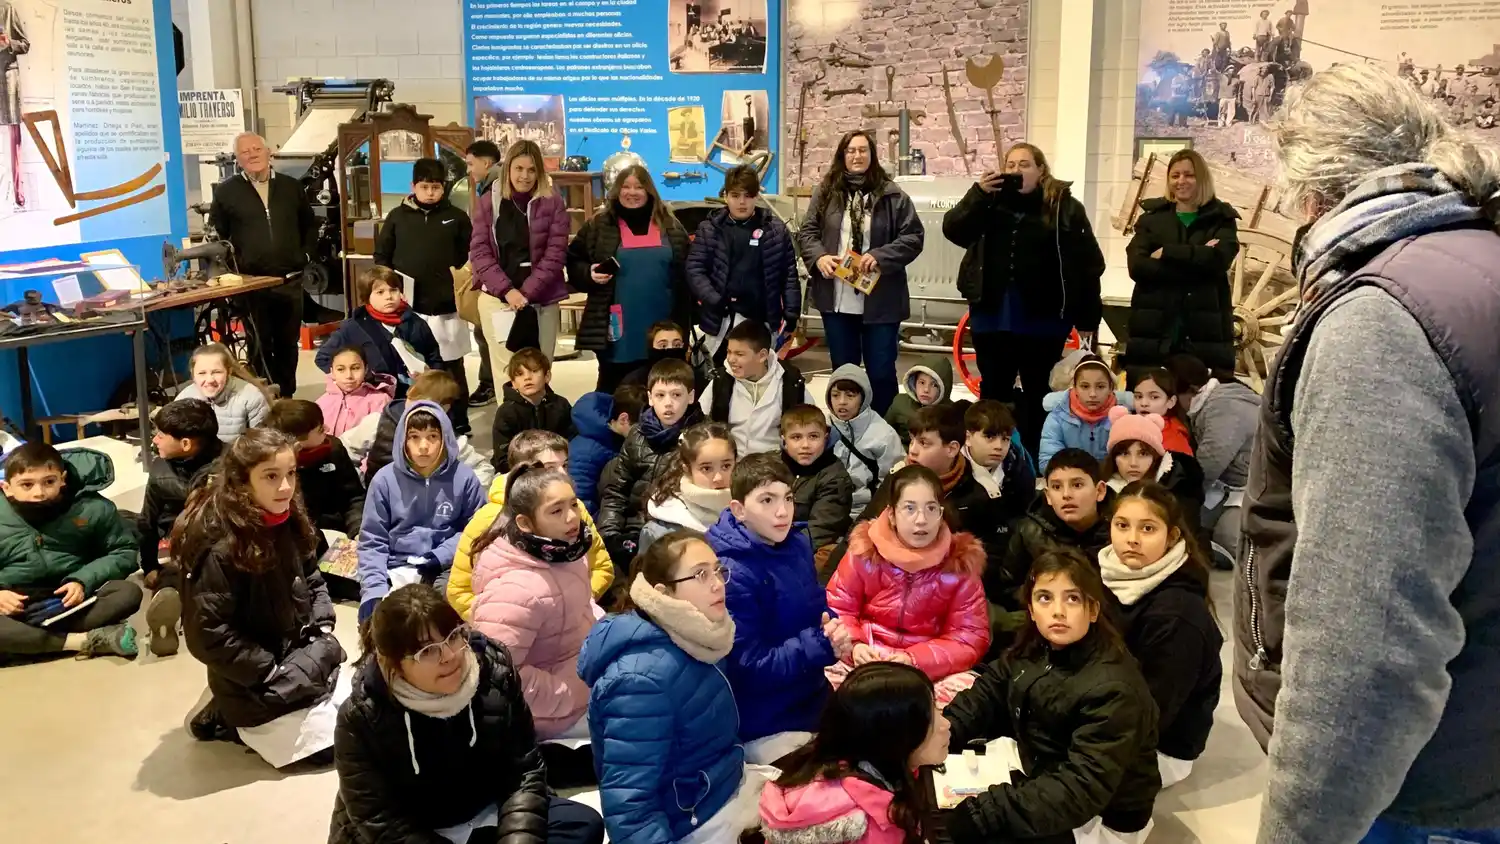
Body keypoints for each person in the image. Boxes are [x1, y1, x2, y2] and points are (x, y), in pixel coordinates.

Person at [1242, 63, 1500, 843]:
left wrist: (1300, 829)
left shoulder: (1382, 323)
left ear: (1315, 199)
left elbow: (1366, 647)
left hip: (1423, 784)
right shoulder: (1478, 272)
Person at [329, 584, 606, 844]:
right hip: (416, 828)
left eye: (453, 637)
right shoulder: (361, 716)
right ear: (393, 664)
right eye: (427, 652)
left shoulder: (493, 672)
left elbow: (524, 771)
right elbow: (379, 820)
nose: (449, 656)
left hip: (484, 808)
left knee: (583, 825)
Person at [942, 550, 1161, 844]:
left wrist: (989, 812)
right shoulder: (1036, 646)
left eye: (1072, 598)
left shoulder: (1114, 687)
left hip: (1103, 816)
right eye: (1045, 598)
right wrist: (943, 731)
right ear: (1031, 609)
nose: (1058, 611)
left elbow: (1081, 788)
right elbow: (988, 690)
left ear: (1093, 610)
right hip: (1042, 769)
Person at [579, 530, 773, 843]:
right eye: (700, 575)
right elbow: (630, 806)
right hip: (693, 820)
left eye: (717, 571)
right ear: (663, 593)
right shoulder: (639, 681)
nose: (717, 584)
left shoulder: (700, 636)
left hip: (725, 784)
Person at [176, 428, 347, 766]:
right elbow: (208, 635)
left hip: (294, 649)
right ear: (242, 480)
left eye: (291, 474)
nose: (285, 487)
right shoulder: (220, 546)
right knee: (333, 750)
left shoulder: (286, 515)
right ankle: (227, 716)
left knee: (361, 718)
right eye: (271, 476)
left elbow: (311, 574)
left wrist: (323, 624)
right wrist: (268, 670)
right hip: (260, 673)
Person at [942, 142, 1106, 455]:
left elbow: (1089, 265)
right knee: (993, 391)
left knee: (1038, 393)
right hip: (992, 314)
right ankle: (989, 455)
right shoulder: (988, 202)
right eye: (1011, 164)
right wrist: (977, 194)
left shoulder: (1064, 207)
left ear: (1041, 170)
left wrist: (1087, 318)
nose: (1017, 171)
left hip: (1042, 319)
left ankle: (1033, 456)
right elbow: (954, 231)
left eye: (1025, 164)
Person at [709, 454, 845, 763]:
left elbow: (812, 603)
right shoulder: (731, 573)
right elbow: (748, 668)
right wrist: (820, 643)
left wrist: (831, 625)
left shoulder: (795, 543)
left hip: (810, 693)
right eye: (767, 500)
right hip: (766, 717)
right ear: (739, 510)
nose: (782, 512)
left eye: (788, 498)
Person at [825, 465, 990, 705]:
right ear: (891, 514)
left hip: (925, 671)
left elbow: (969, 637)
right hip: (865, 660)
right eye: (909, 509)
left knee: (969, 692)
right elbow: (837, 608)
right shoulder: (864, 552)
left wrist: (914, 659)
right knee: (817, 683)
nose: (921, 520)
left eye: (931, 508)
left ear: (941, 513)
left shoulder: (959, 563)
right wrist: (854, 646)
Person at [796, 129, 925, 415]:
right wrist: (819, 258)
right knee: (845, 373)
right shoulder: (826, 191)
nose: (857, 156)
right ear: (842, 156)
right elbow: (808, 232)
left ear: (872, 155)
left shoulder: (892, 195)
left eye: (863, 150)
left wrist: (879, 256)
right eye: (851, 150)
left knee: (880, 372)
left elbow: (913, 237)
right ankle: (847, 432)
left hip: (881, 301)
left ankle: (886, 431)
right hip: (838, 300)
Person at [1102, 481, 1221, 789]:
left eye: (1148, 529)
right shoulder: (1104, 570)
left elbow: (1154, 712)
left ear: (1172, 537)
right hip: (1104, 708)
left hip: (1158, 746)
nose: (1132, 539)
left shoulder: (1178, 614)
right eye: (1122, 525)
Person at [468, 465, 595, 741]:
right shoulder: (515, 591)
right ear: (525, 523)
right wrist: (571, 692)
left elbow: (583, 608)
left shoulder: (567, 551)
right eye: (556, 510)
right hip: (552, 718)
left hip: (587, 679)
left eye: (573, 504)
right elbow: (502, 675)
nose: (573, 517)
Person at [759, 661, 948, 844]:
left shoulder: (850, 760)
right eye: (930, 719)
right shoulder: (875, 828)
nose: (946, 724)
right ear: (894, 738)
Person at [448, 431, 616, 618]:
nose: (562, 474)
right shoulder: (488, 519)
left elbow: (602, 567)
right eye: (550, 468)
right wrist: (505, 619)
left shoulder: (576, 509)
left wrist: (578, 601)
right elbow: (459, 590)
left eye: (565, 465)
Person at [0, 443, 144, 660]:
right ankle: (82, 640)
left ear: (63, 479)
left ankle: (27, 643)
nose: (39, 492)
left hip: (68, 604)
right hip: (11, 605)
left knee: (128, 593)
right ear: (7, 487)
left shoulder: (93, 508)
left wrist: (83, 580)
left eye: (49, 482)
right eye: (26, 485)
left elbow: (123, 550)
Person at [209, 132, 317, 399]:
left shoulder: (292, 187)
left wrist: (305, 257)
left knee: (287, 345)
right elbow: (219, 234)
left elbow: (310, 226)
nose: (253, 154)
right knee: (259, 344)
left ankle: (287, 397)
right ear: (237, 159)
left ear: (269, 152)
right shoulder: (226, 191)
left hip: (289, 280)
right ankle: (262, 398)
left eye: (257, 148)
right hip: (252, 283)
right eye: (245, 152)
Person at [567, 165, 692, 393]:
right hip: (618, 329)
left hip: (664, 326)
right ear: (617, 190)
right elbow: (573, 261)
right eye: (626, 186)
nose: (631, 192)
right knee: (615, 390)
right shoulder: (599, 225)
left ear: (649, 191)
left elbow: (687, 273)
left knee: (664, 387)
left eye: (638, 187)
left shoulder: (670, 226)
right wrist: (589, 274)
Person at [374, 156, 475, 436]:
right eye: (425, 186)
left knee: (452, 368)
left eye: (436, 187)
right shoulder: (397, 217)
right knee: (414, 367)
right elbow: (382, 256)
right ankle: (416, 419)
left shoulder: (456, 217)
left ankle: (459, 421)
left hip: (447, 309)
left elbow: (471, 256)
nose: (431, 192)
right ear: (413, 186)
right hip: (410, 308)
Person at [357, 401, 486, 622]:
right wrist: (373, 590)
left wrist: (439, 556)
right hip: (396, 566)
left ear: (445, 439)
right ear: (403, 441)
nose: (423, 446)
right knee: (384, 625)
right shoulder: (384, 480)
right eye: (414, 437)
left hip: (445, 564)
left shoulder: (464, 477)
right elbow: (372, 540)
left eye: (432, 437)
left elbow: (476, 529)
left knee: (446, 615)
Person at [1124, 149, 1240, 381]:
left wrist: (1167, 252)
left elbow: (1218, 260)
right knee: (1151, 405)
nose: (1181, 181)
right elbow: (1137, 266)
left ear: (1201, 178)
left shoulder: (1221, 219)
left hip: (1203, 335)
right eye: (1175, 175)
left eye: (1189, 175)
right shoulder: (1152, 219)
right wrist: (1197, 259)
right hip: (1156, 332)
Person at [994, 449, 1113, 642]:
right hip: (1047, 629)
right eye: (1057, 487)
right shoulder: (1029, 531)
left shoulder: (1119, 528)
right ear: (1048, 496)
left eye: (1077, 485)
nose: (1066, 495)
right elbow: (1008, 588)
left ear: (1099, 491)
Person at [470, 140, 571, 367]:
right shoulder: (489, 201)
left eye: (531, 170)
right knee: (506, 373)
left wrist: (525, 293)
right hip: (499, 300)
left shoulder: (553, 202)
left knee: (539, 370)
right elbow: (479, 250)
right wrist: (508, 291)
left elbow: (555, 253)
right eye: (519, 168)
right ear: (508, 169)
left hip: (541, 300)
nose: (525, 176)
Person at [598, 358, 706, 566]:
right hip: (631, 529)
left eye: (676, 395)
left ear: (691, 396)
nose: (668, 403)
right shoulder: (637, 435)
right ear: (650, 398)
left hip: (676, 533)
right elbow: (616, 490)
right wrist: (610, 535)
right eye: (660, 395)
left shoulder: (703, 439)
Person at [686, 165, 800, 353]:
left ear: (756, 197)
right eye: (735, 195)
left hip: (761, 318)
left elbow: (789, 274)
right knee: (715, 376)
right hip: (719, 318)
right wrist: (713, 299)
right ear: (726, 196)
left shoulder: (776, 231)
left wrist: (791, 313)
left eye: (748, 196)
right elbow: (694, 269)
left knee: (757, 375)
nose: (742, 202)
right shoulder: (710, 229)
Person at [1163, 354, 1257, 566]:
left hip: (1250, 491)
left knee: (1228, 537)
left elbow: (1207, 468)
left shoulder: (1225, 408)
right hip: (1225, 489)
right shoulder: (1213, 400)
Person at [345, 369, 493, 488]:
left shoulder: (452, 439)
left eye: (423, 404)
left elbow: (482, 469)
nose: (412, 408)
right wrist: (359, 487)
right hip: (381, 501)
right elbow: (345, 449)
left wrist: (455, 494)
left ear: (444, 408)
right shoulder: (379, 421)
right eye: (411, 399)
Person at [319, 266, 445, 402]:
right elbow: (323, 358)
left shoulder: (416, 322)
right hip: (375, 398)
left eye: (394, 290)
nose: (389, 297)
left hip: (416, 394)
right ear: (367, 297)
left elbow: (434, 356)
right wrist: (357, 378)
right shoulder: (353, 327)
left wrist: (431, 377)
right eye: (380, 292)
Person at [138, 398, 222, 593]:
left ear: (185, 444)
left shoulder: (231, 466)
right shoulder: (160, 470)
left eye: (160, 435)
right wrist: (149, 566)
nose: (155, 440)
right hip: (174, 541)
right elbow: (147, 522)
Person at [699, 318, 815, 456]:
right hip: (730, 465)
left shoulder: (792, 383)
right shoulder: (720, 380)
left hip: (776, 468)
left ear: (762, 356)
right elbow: (700, 423)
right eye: (729, 352)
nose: (731, 360)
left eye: (739, 354)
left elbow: (813, 428)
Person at [263, 399, 365, 548]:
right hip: (300, 539)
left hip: (339, 531)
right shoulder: (272, 467)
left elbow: (353, 496)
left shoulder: (333, 449)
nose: (327, 428)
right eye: (320, 430)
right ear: (298, 441)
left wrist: (358, 528)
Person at [638, 421, 736, 554]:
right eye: (706, 468)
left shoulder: (755, 516)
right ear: (687, 469)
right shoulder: (661, 532)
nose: (718, 477)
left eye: (726, 466)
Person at [825, 364, 903, 522]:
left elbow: (892, 485)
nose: (842, 402)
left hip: (866, 513)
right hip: (825, 509)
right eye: (835, 395)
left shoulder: (884, 435)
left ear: (864, 397)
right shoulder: (821, 428)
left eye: (850, 396)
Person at [1101, 409, 1205, 527]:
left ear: (1156, 457)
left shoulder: (1179, 487)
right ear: (1113, 458)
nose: (1133, 463)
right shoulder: (1102, 492)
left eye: (1143, 454)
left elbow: (1191, 537)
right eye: (1125, 454)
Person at [780, 404, 854, 559]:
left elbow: (820, 531)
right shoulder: (770, 467)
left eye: (813, 436)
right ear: (784, 439)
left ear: (825, 437)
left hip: (804, 551)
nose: (805, 445)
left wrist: (776, 552)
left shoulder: (835, 477)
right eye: (796, 437)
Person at [462, 139, 503, 407]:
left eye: (470, 163)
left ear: (486, 163)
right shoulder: (487, 188)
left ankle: (493, 386)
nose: (469, 170)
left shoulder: (497, 190)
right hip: (490, 276)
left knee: (494, 337)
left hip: (497, 280)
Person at [1038, 356, 1134, 470]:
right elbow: (1048, 463)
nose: (1092, 394)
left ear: (1110, 388)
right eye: (1085, 386)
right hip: (1072, 482)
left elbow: (1130, 461)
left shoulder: (1123, 416)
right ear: (1074, 388)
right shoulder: (1057, 417)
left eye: (1100, 386)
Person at [492, 347, 575, 473]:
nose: (527, 378)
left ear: (547, 376)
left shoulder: (560, 405)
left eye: (534, 371)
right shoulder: (507, 412)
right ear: (513, 383)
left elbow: (571, 440)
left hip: (556, 468)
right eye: (520, 374)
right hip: (520, 472)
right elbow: (502, 456)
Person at [569, 384, 645, 517]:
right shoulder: (585, 453)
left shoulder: (621, 439)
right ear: (624, 419)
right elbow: (580, 502)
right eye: (642, 427)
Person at [177, 343, 271, 442]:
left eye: (217, 372)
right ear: (193, 374)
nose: (209, 380)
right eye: (202, 373)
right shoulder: (184, 398)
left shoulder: (251, 397)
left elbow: (263, 444)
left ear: (228, 371)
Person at [963, 399, 1036, 524]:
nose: (999, 446)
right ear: (968, 438)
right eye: (990, 437)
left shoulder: (1021, 473)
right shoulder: (951, 475)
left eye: (1005, 439)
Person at [315, 344, 396, 439]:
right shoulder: (321, 404)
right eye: (341, 369)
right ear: (332, 372)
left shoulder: (381, 401)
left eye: (355, 368)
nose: (349, 375)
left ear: (366, 369)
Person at [884, 354, 954, 450]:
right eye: (921, 382)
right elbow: (884, 432)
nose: (926, 389)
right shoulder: (900, 402)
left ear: (944, 387)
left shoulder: (951, 412)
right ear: (913, 382)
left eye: (934, 385)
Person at [1, 0, 30, 208]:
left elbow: (25, 44)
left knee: (14, 133)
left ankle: (19, 192)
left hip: (7, 76)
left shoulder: (7, 8)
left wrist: (8, 41)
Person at [1129, 368, 1193, 455]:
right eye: (1138, 397)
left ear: (1171, 402)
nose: (1143, 403)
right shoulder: (1127, 425)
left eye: (1154, 397)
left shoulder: (1176, 440)